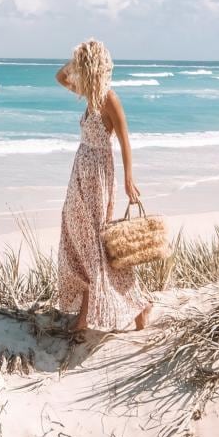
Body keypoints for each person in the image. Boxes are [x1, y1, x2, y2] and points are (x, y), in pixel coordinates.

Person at [56, 38, 151, 335]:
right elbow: (60, 76)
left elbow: (124, 140)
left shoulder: (109, 98)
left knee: (96, 243)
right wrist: (78, 59)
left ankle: (123, 308)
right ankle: (133, 305)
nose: (77, 70)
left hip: (98, 175)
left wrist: (129, 179)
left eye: (83, 64)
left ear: (93, 67)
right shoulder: (88, 94)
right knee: (77, 235)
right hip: (80, 173)